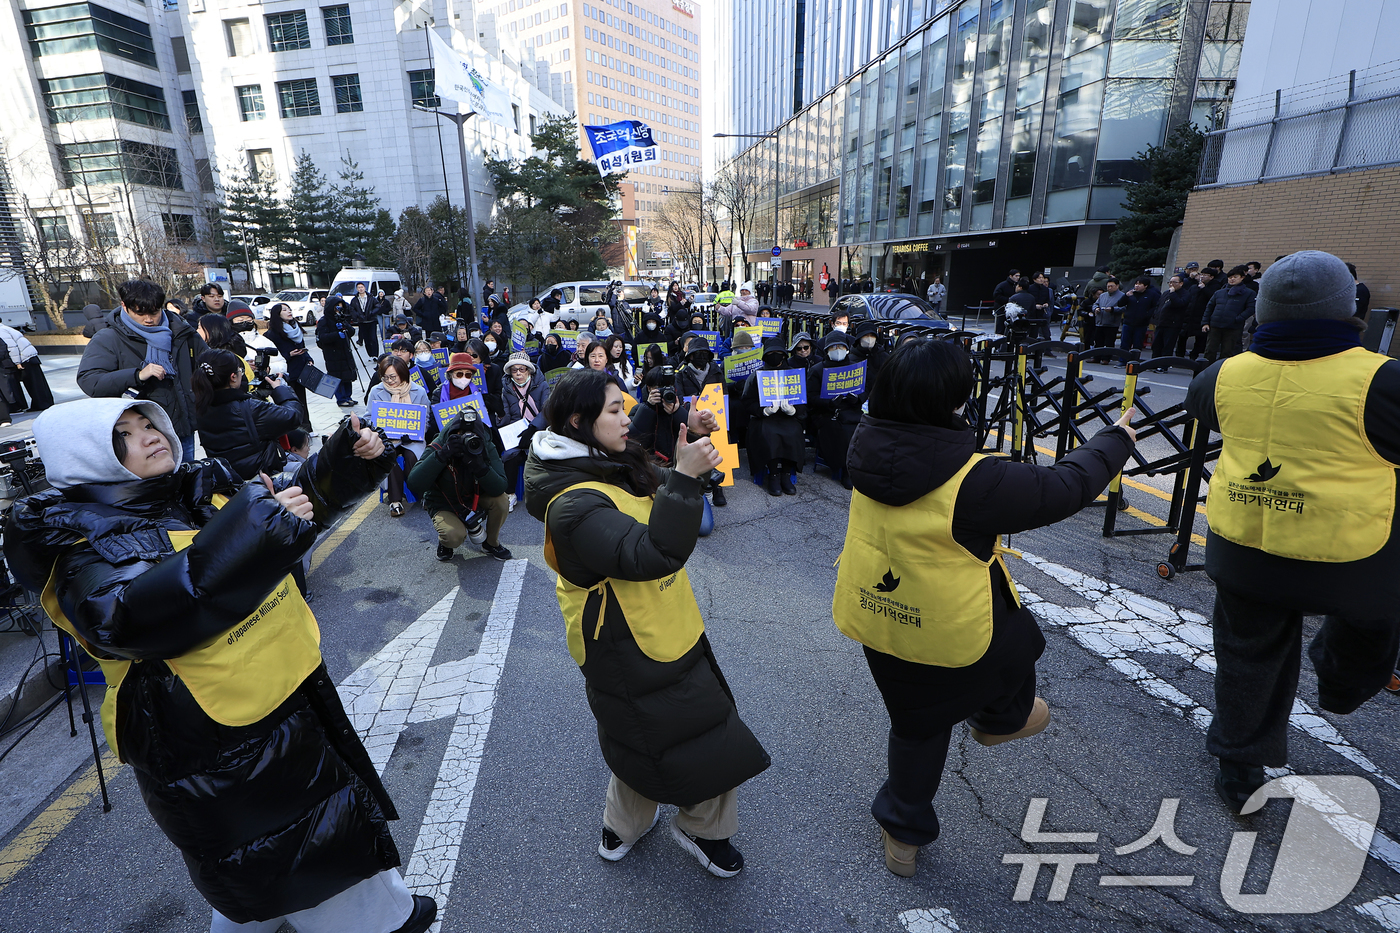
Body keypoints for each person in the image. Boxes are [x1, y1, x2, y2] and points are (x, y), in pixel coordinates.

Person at [4, 396, 437, 933]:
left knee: (269, 864)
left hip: (280, 703)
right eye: (123, 436)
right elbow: (125, 619)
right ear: (85, 457)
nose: (148, 435)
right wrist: (251, 531)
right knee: (313, 858)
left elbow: (286, 519)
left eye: (148, 422)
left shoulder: (192, 489)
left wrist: (345, 460)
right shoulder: (79, 546)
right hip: (218, 744)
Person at [833, 338, 1136, 877]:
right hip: (950, 620)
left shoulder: (861, 447)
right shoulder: (975, 479)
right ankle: (1000, 719)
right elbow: (1066, 486)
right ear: (955, 400)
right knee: (1020, 644)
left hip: (881, 613)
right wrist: (1115, 440)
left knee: (916, 723)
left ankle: (902, 837)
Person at [523, 370, 768, 874]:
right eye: (614, 410)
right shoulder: (572, 502)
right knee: (694, 731)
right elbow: (655, 552)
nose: (626, 418)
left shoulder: (605, 459)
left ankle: (624, 825)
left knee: (640, 734)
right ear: (578, 421)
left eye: (625, 406)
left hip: (652, 626)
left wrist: (691, 443)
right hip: (625, 641)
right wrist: (684, 477)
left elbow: (662, 492)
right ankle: (703, 829)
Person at [1183, 250, 1400, 813]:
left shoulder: (1220, 375)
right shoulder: (1383, 380)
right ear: (1349, 308)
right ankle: (1340, 684)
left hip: (1244, 545)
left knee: (1246, 651)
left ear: (1263, 309)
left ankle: (1239, 767)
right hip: (1349, 557)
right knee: (1373, 622)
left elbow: (1208, 415)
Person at [78, 279, 210, 464]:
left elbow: (207, 361)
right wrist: (137, 375)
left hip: (181, 429)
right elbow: (89, 380)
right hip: (138, 435)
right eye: (140, 313)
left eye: (154, 312)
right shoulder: (109, 337)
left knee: (186, 476)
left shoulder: (181, 330)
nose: (148, 319)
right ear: (124, 306)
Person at [408, 409, 512, 562]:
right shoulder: (440, 444)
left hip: (474, 497)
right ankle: (445, 542)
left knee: (502, 501)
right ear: (453, 433)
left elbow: (500, 486)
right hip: (445, 503)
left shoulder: (484, 445)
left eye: (472, 436)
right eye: (461, 435)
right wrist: (442, 455)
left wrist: (481, 467)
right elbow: (414, 483)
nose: (466, 440)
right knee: (453, 536)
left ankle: (491, 543)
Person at [192, 349, 304, 480]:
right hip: (260, 480)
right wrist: (281, 390)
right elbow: (293, 416)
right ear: (233, 377)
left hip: (229, 479)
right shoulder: (251, 408)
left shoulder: (202, 407)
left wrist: (256, 396)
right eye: (240, 370)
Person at [367, 356, 432, 517]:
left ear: (402, 374)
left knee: (411, 457)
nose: (389, 381)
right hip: (387, 440)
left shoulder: (419, 391)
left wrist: (416, 433)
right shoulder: (376, 391)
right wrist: (380, 432)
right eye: (385, 377)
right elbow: (368, 417)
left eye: (393, 377)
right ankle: (395, 501)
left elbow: (426, 419)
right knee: (390, 457)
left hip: (412, 439)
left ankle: (423, 494)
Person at [743, 339, 807, 495]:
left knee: (794, 432)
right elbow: (747, 401)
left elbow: (803, 402)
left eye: (778, 353)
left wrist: (793, 411)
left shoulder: (793, 374)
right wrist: (764, 411)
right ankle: (773, 474)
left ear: (784, 355)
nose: (775, 356)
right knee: (768, 434)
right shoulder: (756, 375)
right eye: (771, 353)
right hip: (765, 418)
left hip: (788, 417)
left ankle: (786, 473)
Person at [807, 333, 864, 489]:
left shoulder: (855, 366)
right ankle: (845, 469)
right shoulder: (818, 370)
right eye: (833, 347)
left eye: (841, 347)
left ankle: (861, 466)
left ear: (847, 349)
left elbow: (865, 390)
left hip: (851, 409)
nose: (837, 350)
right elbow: (811, 397)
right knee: (841, 431)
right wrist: (829, 402)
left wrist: (857, 398)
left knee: (863, 428)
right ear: (827, 350)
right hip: (826, 412)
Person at [1201, 266, 1256, 363]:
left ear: (1242, 277)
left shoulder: (1248, 293)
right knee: (1210, 350)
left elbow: (1251, 309)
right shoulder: (1219, 292)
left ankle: (1223, 370)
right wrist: (1205, 322)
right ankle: (1206, 369)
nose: (1232, 279)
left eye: (1235, 277)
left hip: (1233, 327)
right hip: (1215, 325)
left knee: (1227, 352)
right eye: (1230, 277)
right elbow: (1209, 307)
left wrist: (1237, 319)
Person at [0, 321, 54, 412]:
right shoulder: (5, 328)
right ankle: (45, 403)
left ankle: (41, 404)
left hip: (24, 358)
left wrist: (17, 362)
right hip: (29, 356)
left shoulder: (1, 331)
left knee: (33, 383)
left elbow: (11, 347)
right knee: (38, 383)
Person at [316, 295, 359, 407]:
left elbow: (351, 331)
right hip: (333, 354)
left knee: (347, 376)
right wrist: (336, 335)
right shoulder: (324, 321)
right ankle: (341, 399)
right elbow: (322, 337)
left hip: (345, 351)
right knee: (337, 377)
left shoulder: (341, 318)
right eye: (336, 307)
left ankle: (348, 397)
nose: (338, 309)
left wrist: (345, 327)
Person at [1178, 266, 1219, 359]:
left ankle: (1194, 356)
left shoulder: (1215, 287)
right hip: (1189, 315)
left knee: (1200, 338)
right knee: (1182, 335)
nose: (1202, 276)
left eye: (1205, 275)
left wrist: (1204, 288)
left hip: (1202, 316)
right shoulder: (1194, 286)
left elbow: (1213, 298)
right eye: (1202, 274)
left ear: (1211, 277)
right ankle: (1179, 355)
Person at [1150, 275, 1195, 358]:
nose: (1171, 284)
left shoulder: (1185, 294)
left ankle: (1164, 364)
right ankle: (1154, 362)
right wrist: (1155, 318)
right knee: (1156, 345)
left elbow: (1179, 304)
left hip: (1172, 325)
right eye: (1170, 282)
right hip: (1160, 323)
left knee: (1167, 347)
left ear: (1181, 283)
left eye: (1174, 282)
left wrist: (1173, 293)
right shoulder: (1166, 293)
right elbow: (1158, 306)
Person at [1119, 276, 1161, 359]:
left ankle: (1134, 361)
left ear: (1145, 286)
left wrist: (1147, 315)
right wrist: (1126, 296)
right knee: (1124, 343)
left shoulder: (1152, 294)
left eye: (1140, 284)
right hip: (1128, 322)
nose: (1137, 286)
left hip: (1141, 323)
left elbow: (1156, 307)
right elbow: (1120, 304)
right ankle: (1122, 361)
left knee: (1137, 344)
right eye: (1136, 284)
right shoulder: (1131, 293)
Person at [1092, 278, 1127, 350]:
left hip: (1112, 323)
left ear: (1117, 286)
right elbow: (1095, 304)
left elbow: (1124, 307)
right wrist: (1096, 308)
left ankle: (1107, 356)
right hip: (1100, 322)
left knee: (1109, 343)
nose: (1110, 288)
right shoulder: (1103, 295)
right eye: (1108, 286)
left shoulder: (1122, 296)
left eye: (1112, 286)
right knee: (1098, 342)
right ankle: (1097, 355)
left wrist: (1112, 309)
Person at [350, 283, 380, 358]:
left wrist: (372, 313)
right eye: (359, 287)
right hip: (362, 321)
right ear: (357, 289)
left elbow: (377, 306)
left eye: (362, 287)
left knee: (373, 338)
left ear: (365, 288)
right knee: (366, 339)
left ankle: (375, 355)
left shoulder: (371, 298)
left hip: (371, 320)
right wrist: (357, 316)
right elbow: (352, 309)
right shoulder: (354, 300)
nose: (361, 289)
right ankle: (370, 355)